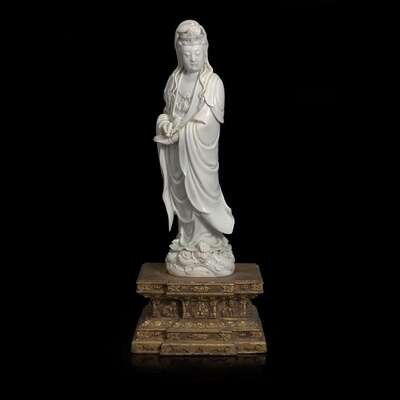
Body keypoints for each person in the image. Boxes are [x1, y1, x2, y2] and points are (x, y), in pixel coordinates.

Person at [154, 20, 235, 277]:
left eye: (197, 53)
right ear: (179, 53)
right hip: (178, 155)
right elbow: (167, 113)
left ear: (205, 50)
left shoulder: (213, 83)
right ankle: (188, 241)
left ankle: (209, 243)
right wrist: (164, 125)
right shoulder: (174, 80)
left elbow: (207, 124)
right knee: (182, 197)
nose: (193, 58)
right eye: (187, 53)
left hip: (198, 157)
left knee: (200, 196)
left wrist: (182, 132)